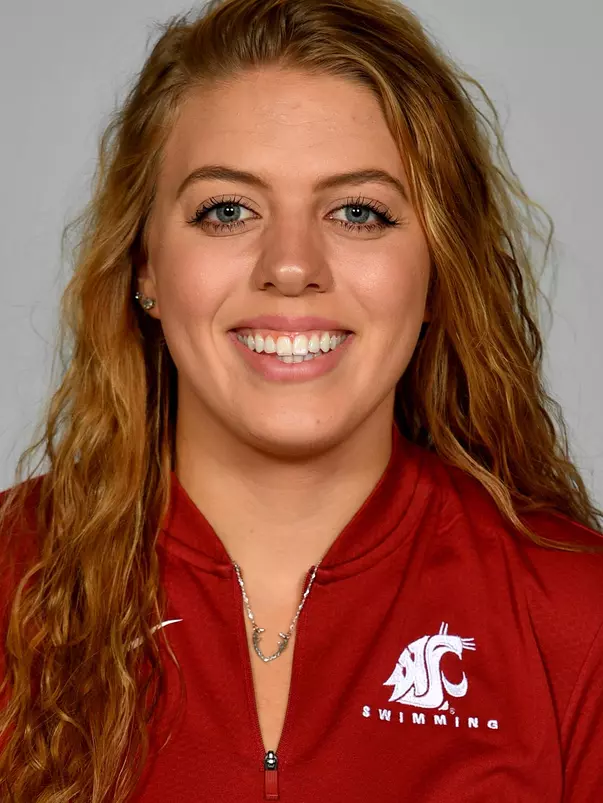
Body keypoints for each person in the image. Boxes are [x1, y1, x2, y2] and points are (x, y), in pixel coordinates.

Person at [1, 0, 602, 800]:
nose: (290, 265)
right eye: (227, 210)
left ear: (435, 275)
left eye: (359, 212)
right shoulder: (13, 581)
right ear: (143, 266)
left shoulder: (574, 616)